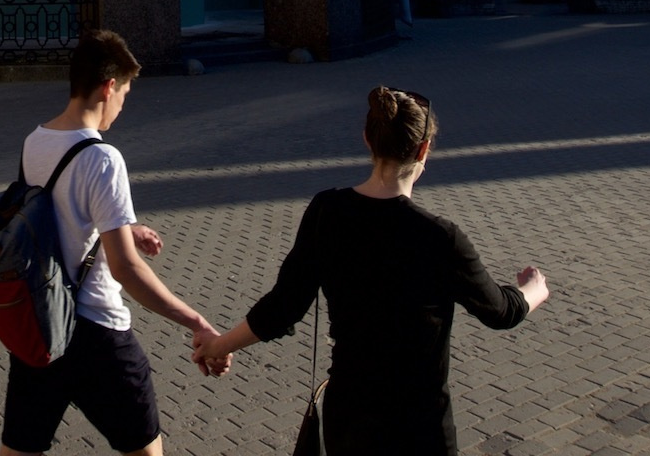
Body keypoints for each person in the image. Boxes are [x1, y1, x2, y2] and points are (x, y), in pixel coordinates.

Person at [192, 87, 549, 456]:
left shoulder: (327, 212)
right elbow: (501, 312)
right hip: (420, 427)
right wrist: (533, 289)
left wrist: (218, 346)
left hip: (351, 418)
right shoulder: (440, 237)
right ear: (423, 150)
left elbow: (282, 308)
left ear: (368, 140)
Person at [0, 29, 224, 456]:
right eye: (123, 94)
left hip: (40, 327)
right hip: (97, 333)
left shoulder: (36, 140)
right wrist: (196, 321)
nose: (121, 106)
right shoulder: (103, 158)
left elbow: (48, 215)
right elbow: (127, 270)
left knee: (19, 450)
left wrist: (122, 228)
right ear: (107, 87)